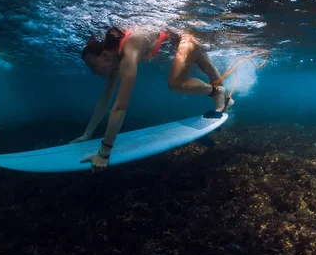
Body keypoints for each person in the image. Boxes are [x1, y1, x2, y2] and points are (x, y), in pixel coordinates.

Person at [76, 27, 233, 171]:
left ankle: (217, 94)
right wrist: (86, 134)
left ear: (104, 56)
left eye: (92, 66)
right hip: (183, 37)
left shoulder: (128, 56)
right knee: (214, 80)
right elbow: (105, 101)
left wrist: (104, 153)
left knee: (176, 83)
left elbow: (120, 108)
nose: (93, 71)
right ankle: (223, 101)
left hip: (187, 33)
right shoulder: (115, 58)